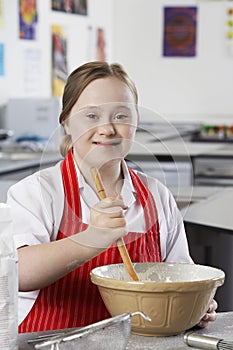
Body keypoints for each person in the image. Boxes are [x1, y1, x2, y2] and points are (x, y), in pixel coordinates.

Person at [7, 61, 217, 333]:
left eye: (120, 116)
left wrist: (193, 305)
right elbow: (17, 274)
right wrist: (89, 240)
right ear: (67, 123)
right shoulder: (36, 192)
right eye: (91, 116)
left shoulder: (156, 196)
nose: (107, 129)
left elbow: (180, 279)